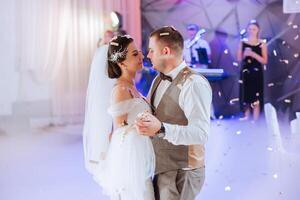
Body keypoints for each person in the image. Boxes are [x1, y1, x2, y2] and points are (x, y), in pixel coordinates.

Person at [136, 26, 212, 200]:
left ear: (165, 51)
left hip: (183, 172)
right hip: (160, 167)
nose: (148, 55)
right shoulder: (158, 78)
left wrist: (161, 128)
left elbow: (201, 134)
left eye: (151, 51)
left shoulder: (194, 84)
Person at [84, 35, 155, 200]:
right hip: (131, 161)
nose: (142, 56)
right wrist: (145, 127)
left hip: (139, 157)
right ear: (121, 62)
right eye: (135, 54)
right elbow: (119, 133)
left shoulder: (131, 86)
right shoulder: (121, 90)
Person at [237, 20, 268, 121]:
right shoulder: (243, 42)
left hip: (257, 73)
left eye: (254, 29)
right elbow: (238, 58)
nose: (251, 31)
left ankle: (255, 120)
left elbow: (264, 60)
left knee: (256, 96)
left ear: (258, 30)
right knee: (246, 95)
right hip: (246, 72)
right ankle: (247, 117)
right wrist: (244, 54)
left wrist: (253, 54)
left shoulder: (262, 44)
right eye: (249, 29)